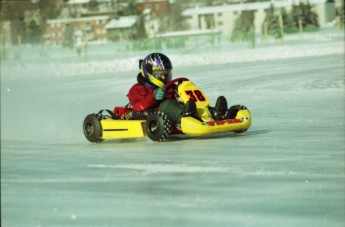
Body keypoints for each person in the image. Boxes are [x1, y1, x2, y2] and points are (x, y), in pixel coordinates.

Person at [127, 52, 228, 123]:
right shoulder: (137, 89)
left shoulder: (170, 87)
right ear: (150, 74)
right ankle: (186, 116)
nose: (164, 77)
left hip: (179, 110)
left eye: (167, 74)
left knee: (189, 101)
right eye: (160, 75)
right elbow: (138, 107)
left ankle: (214, 113)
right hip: (157, 115)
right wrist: (153, 97)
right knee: (167, 104)